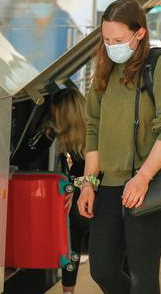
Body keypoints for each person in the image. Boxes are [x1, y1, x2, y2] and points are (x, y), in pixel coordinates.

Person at [77, 0, 161, 294]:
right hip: (109, 186)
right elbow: (93, 129)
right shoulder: (104, 70)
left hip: (147, 185)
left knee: (142, 276)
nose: (111, 45)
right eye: (106, 39)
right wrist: (88, 183)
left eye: (118, 39)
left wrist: (143, 177)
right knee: (102, 269)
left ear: (139, 33)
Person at [51, 88, 90, 294]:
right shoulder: (91, 134)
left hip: (94, 201)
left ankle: (68, 291)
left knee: (72, 237)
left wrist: (75, 188)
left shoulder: (81, 145)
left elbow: (91, 174)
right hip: (103, 200)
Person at [6, 0, 75, 70]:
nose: (41, 4)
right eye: (35, 1)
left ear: (55, 3)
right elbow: (6, 57)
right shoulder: (16, 26)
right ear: (28, 2)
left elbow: (73, 66)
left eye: (47, 1)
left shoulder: (67, 29)